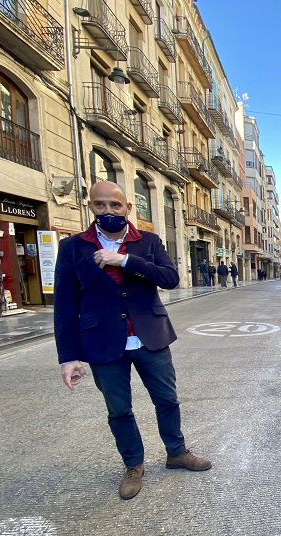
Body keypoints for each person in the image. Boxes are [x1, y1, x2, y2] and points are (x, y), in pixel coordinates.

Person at [53, 181, 211, 500]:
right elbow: (65, 305)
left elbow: (169, 278)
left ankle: (176, 452)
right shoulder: (73, 248)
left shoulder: (148, 241)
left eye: (115, 205)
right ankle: (133, 465)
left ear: (127, 208)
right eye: (100, 205)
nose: (108, 211)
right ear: (91, 207)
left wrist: (123, 261)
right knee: (119, 410)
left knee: (167, 400)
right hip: (103, 343)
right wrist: (68, 356)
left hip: (150, 336)